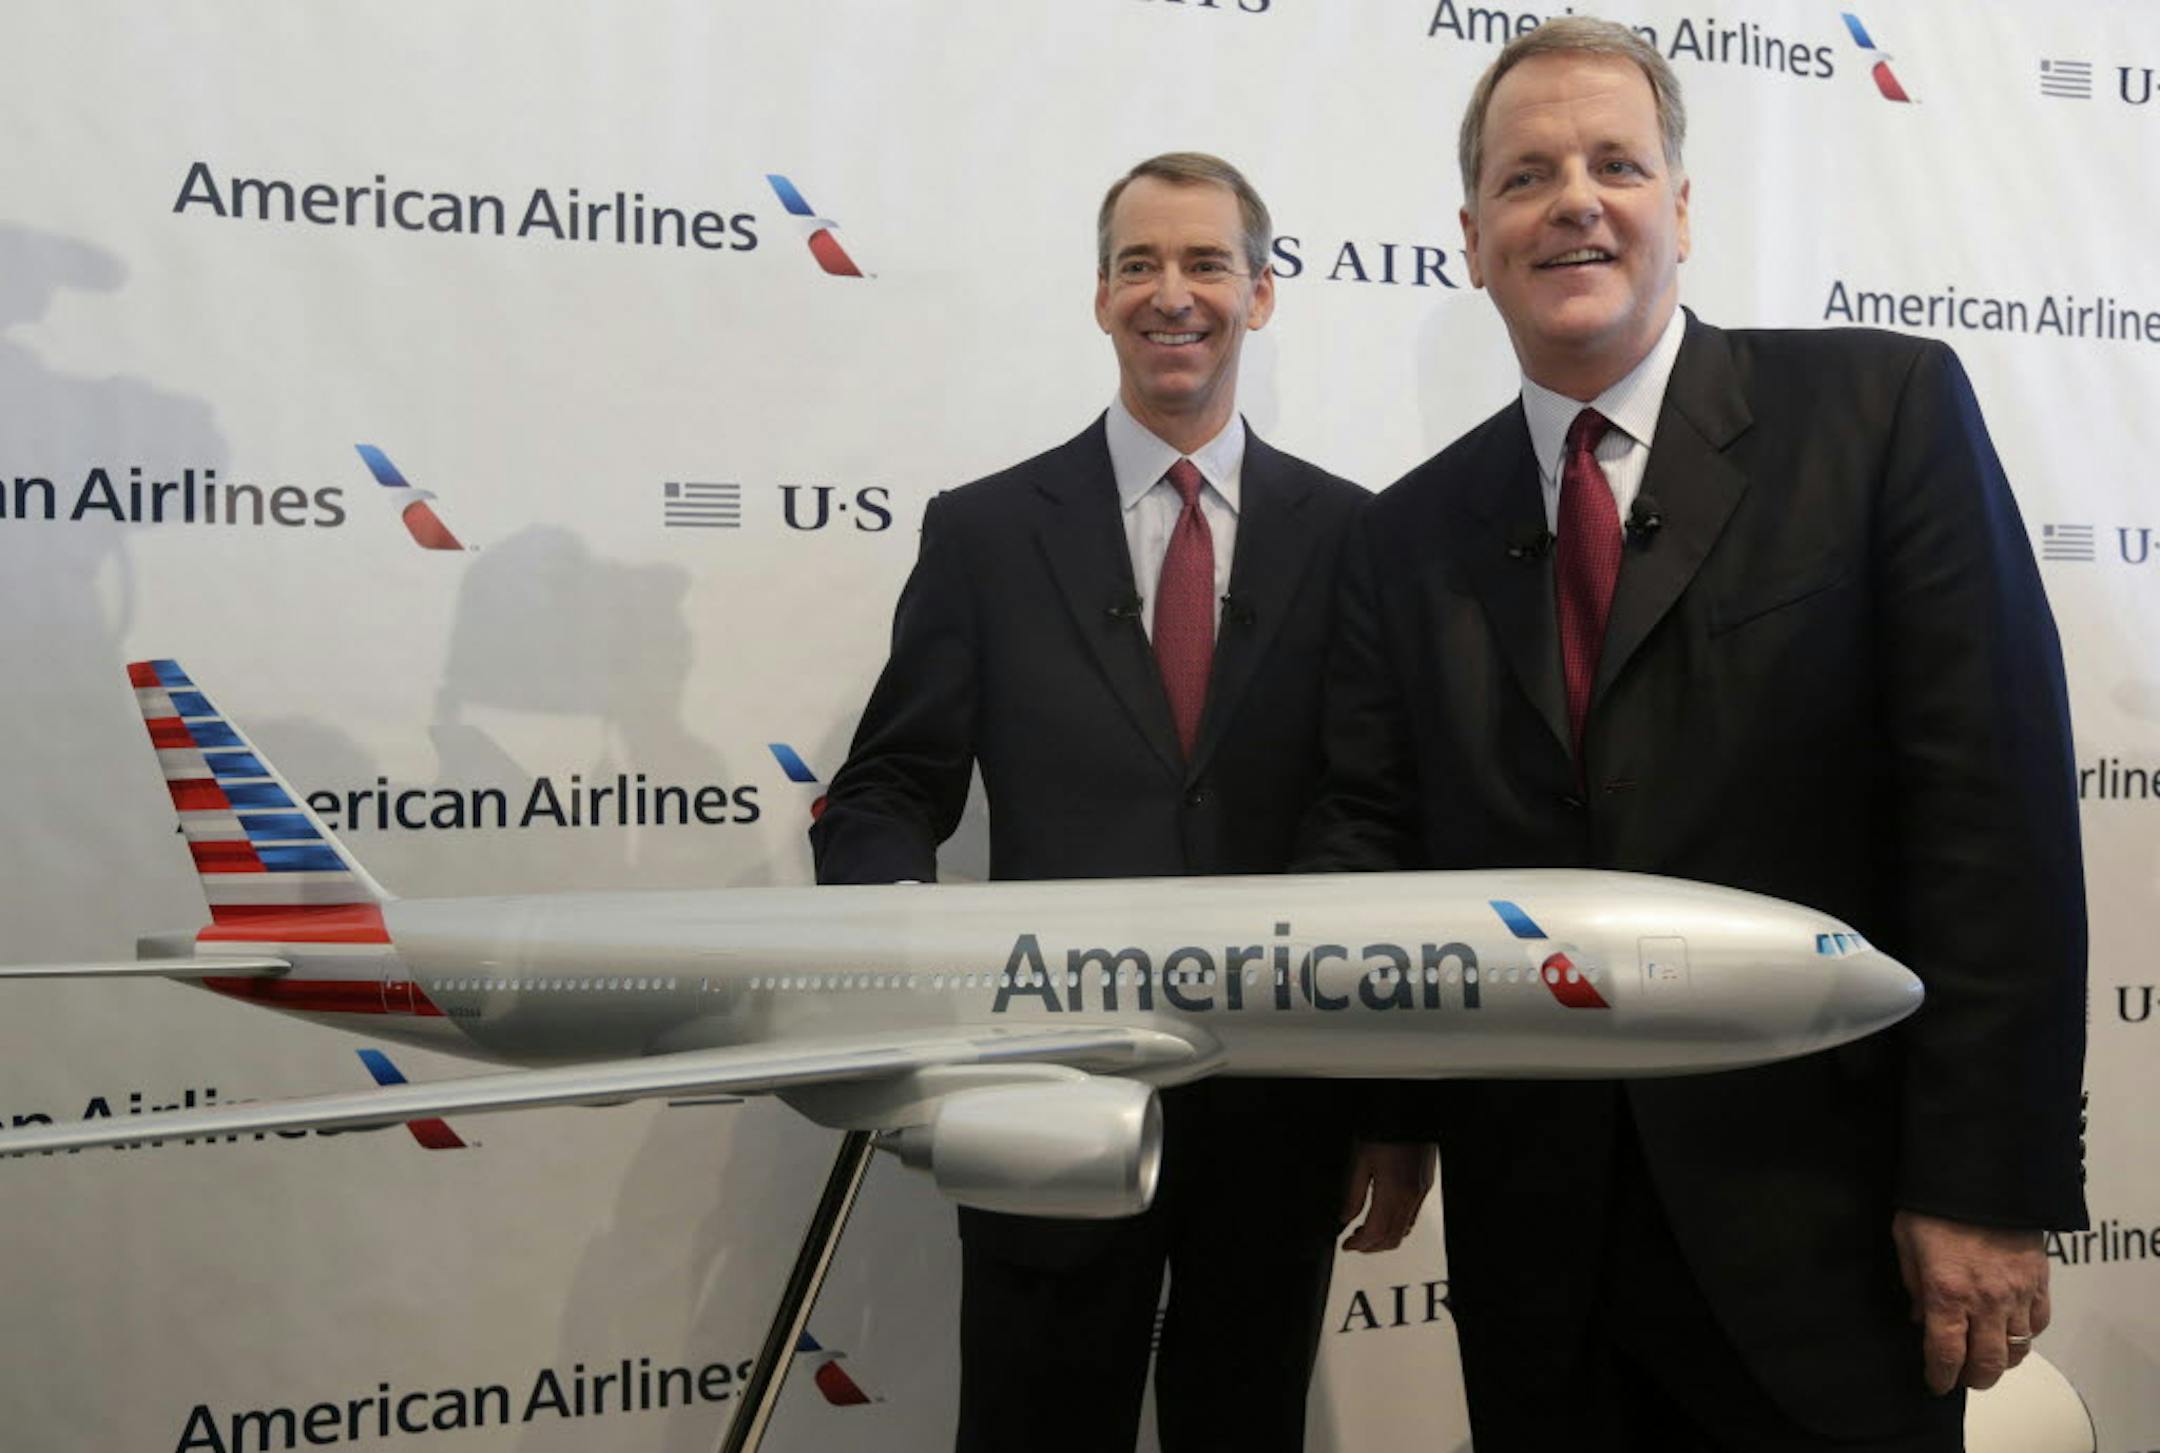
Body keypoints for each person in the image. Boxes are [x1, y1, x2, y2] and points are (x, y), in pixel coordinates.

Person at [1298, 19, 2088, 1451]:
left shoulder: (1881, 411)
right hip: (1543, 1252)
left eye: (1617, 163)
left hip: (1834, 1238)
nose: (1576, 200)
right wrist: (1388, 1098)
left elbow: (1995, 821)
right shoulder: (1405, 535)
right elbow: (1378, 832)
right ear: (1472, 239)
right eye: (1528, 176)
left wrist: (1982, 1179)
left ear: (1682, 208)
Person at [812, 152, 1414, 1453]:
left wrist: (1384, 1095)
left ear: (1262, 293)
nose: (1171, 293)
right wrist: (894, 970)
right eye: (1139, 263)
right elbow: (889, 786)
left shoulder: (1359, 537)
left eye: (1205, 262)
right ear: (1099, 297)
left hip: (1276, 1105)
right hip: (1045, 1096)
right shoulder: (981, 534)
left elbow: (1373, 809)